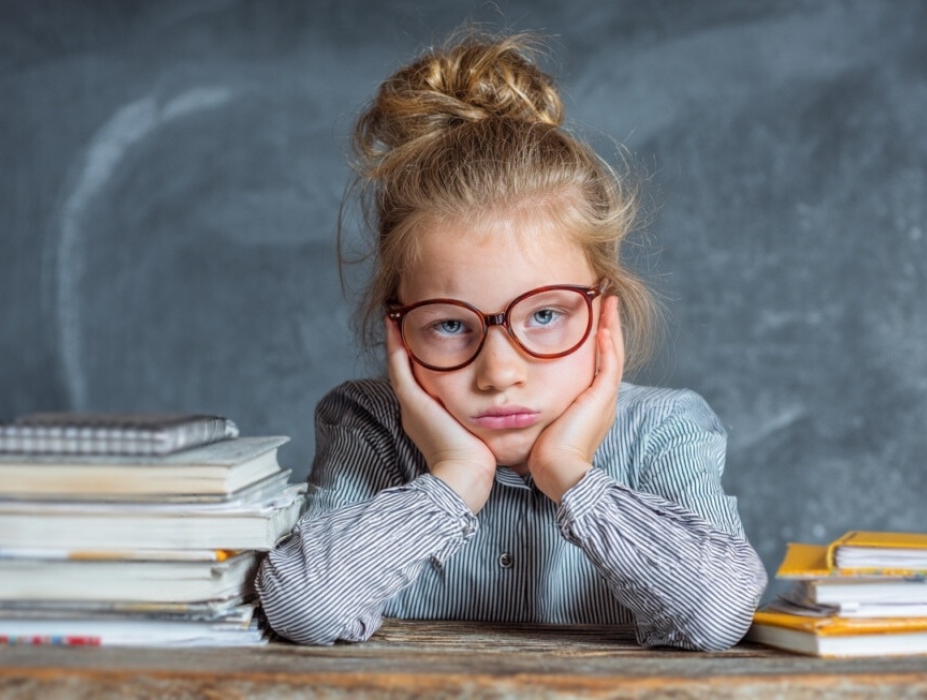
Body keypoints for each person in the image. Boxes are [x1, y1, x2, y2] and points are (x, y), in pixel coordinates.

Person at [256, 30, 766, 651]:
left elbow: (717, 615)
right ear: (398, 327)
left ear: (604, 314)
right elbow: (306, 609)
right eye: (449, 324)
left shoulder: (663, 429)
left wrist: (568, 474)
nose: (499, 372)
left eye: (545, 316)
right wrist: (454, 477)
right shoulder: (370, 425)